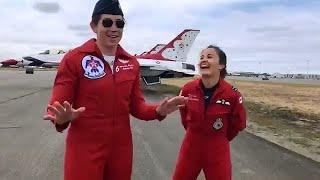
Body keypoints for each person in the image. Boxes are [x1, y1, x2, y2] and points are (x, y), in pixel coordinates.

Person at [43, 0, 187, 179]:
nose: (114, 28)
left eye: (120, 23)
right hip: (84, 149)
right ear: (94, 26)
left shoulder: (131, 63)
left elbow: (137, 107)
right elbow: (57, 107)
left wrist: (158, 110)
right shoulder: (74, 59)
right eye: (107, 22)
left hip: (121, 149)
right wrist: (62, 119)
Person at [173, 45, 247, 180]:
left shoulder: (232, 95)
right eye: (201, 57)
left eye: (209, 57)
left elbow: (237, 124)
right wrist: (194, 132)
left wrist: (219, 139)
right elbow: (184, 114)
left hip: (217, 151)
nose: (203, 60)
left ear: (221, 65)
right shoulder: (188, 89)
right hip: (190, 148)